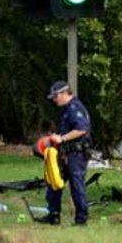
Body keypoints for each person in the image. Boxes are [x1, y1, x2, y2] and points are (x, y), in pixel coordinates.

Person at [38, 80, 91, 226]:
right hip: (66, 153)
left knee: (77, 185)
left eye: (55, 96)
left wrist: (61, 138)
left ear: (64, 93)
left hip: (77, 154)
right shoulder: (67, 109)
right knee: (54, 181)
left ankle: (81, 220)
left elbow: (81, 129)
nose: (54, 100)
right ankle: (53, 215)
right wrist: (54, 140)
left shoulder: (75, 107)